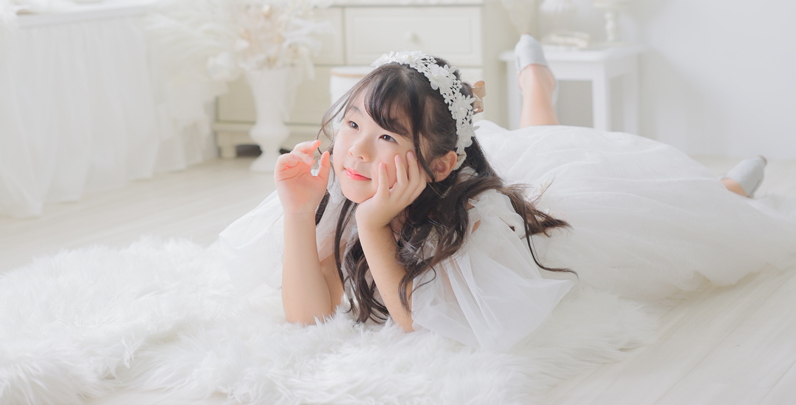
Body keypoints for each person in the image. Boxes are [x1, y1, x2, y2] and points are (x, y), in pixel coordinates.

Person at [219, 39, 796, 352]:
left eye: (386, 137)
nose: (357, 151)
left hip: (558, 214)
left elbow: (418, 324)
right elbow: (309, 315)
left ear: (438, 164)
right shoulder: (349, 181)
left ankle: (723, 189)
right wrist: (298, 214)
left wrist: (373, 226)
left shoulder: (473, 220)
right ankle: (535, 88)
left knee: (657, 200)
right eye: (352, 125)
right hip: (461, 170)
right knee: (536, 141)